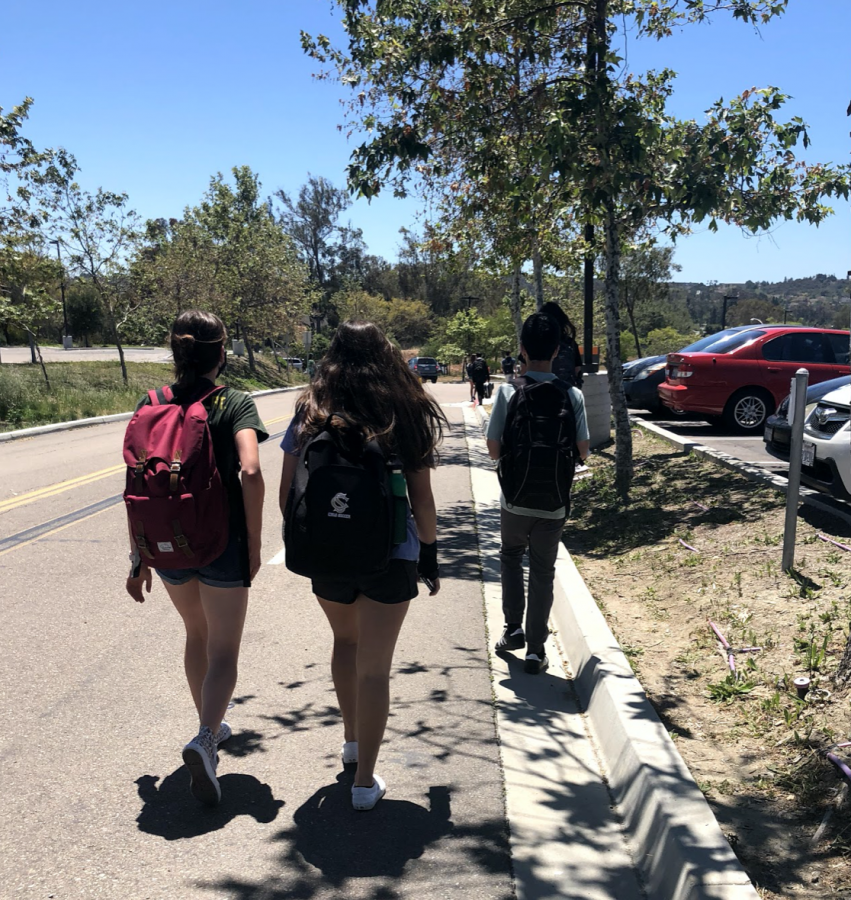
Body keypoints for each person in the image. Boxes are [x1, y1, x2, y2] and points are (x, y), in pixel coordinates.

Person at [279, 320, 446, 811]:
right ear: (386, 355)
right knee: (375, 668)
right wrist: (431, 556)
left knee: (344, 642)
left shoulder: (311, 411)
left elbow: (291, 491)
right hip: (391, 555)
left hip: (328, 554)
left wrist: (309, 539)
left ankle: (351, 742)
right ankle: (364, 783)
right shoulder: (404, 410)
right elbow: (424, 501)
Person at [125, 310, 268, 806]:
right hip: (221, 543)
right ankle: (206, 738)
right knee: (224, 650)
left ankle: (208, 724)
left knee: (196, 634)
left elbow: (137, 481)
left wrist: (138, 555)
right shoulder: (234, 402)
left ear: (176, 352)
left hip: (166, 544)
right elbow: (250, 470)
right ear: (221, 352)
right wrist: (253, 540)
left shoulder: (151, 402)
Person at [485, 313, 589, 674]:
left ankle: (512, 629)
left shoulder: (508, 391)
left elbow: (494, 450)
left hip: (515, 498)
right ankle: (536, 650)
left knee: (511, 556)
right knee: (543, 571)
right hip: (554, 502)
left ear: (522, 350)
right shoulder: (571, 394)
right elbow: (584, 450)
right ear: (558, 350)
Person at [540, 301, 583, 388]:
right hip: (566, 392)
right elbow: (577, 372)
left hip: (540, 393)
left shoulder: (535, 343)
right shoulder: (571, 344)